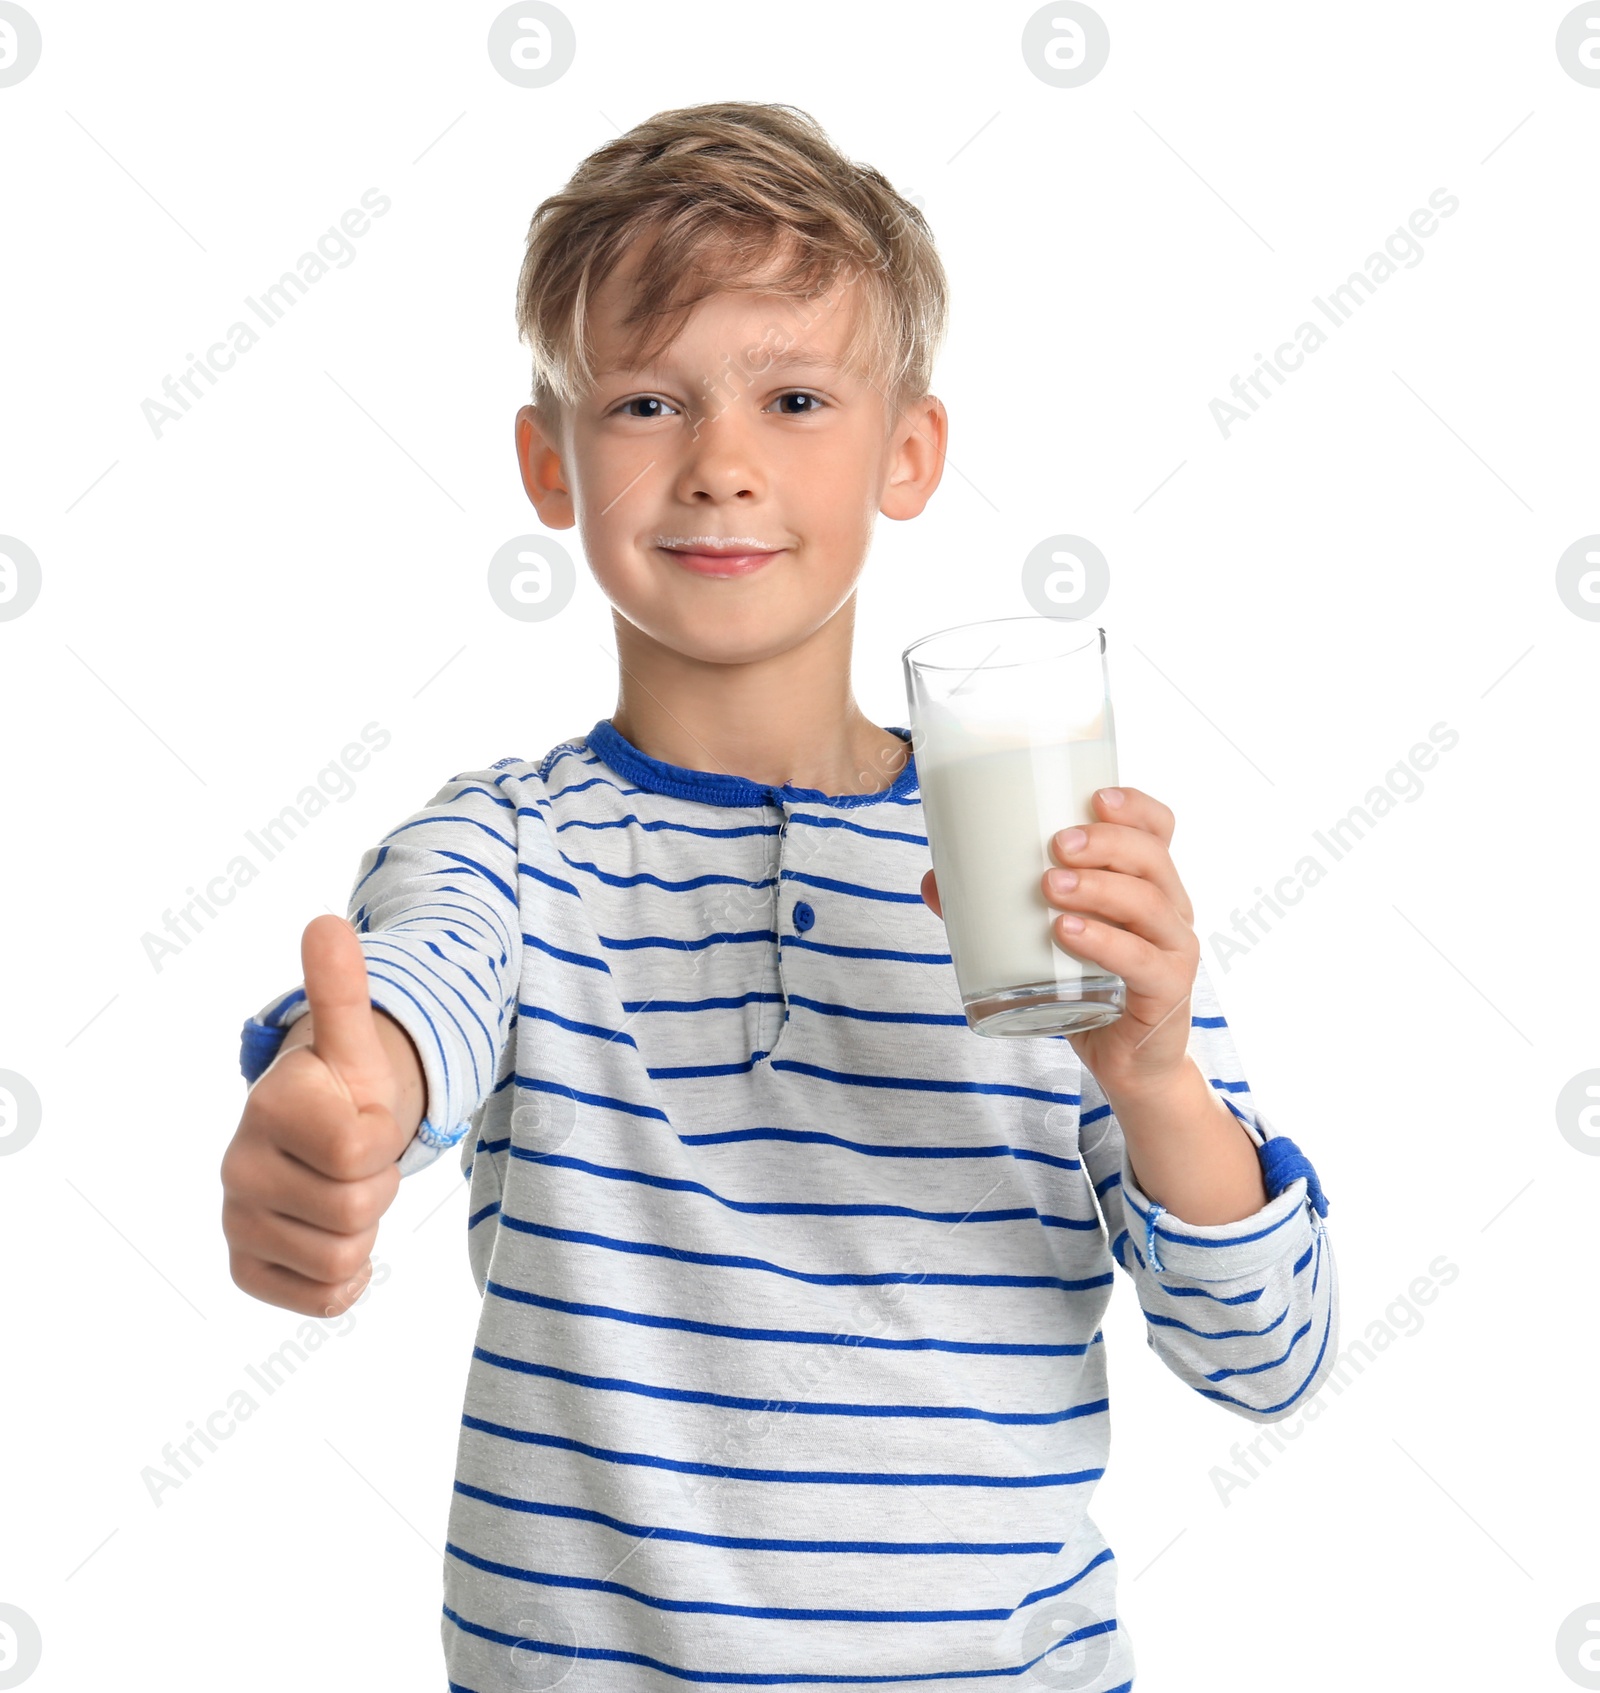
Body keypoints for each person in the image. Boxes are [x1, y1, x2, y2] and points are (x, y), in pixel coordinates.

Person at [221, 100, 1337, 1692]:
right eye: (649, 402)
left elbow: (1271, 1358)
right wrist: (347, 1101)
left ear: (909, 452)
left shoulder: (1057, 868)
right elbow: (415, 995)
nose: (723, 466)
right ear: (551, 461)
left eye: (796, 396)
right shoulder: (504, 849)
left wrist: (1153, 1074)